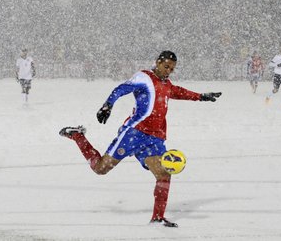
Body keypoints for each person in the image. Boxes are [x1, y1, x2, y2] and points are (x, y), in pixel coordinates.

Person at [58, 51, 222, 227]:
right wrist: (108, 105)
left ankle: (158, 218)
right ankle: (77, 136)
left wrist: (201, 97)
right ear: (158, 62)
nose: (168, 71)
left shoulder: (167, 84)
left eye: (172, 69)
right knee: (100, 168)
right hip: (134, 134)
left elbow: (178, 92)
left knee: (164, 173)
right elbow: (121, 89)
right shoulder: (144, 77)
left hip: (154, 139)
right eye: (166, 66)